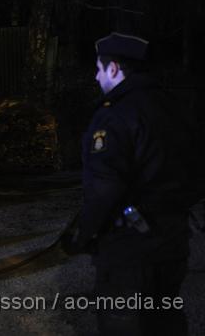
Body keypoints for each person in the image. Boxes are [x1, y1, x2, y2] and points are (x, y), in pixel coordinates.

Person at [62, 32, 198, 335]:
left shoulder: (116, 115)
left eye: (99, 68)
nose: (96, 77)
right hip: (173, 241)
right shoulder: (175, 107)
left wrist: (81, 234)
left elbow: (104, 188)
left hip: (129, 249)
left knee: (124, 323)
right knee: (166, 321)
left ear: (114, 69)